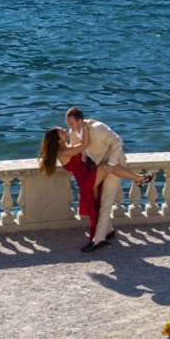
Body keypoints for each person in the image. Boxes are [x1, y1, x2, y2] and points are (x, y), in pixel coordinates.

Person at [64, 106, 126, 247]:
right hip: (98, 168)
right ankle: (108, 230)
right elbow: (78, 152)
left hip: (114, 165)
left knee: (105, 202)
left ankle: (98, 240)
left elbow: (117, 141)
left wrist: (111, 164)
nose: (70, 127)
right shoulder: (73, 132)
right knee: (96, 200)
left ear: (80, 120)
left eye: (72, 123)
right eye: (68, 124)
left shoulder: (97, 127)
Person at [40, 123, 103, 241]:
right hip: (86, 180)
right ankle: (96, 238)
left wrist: (74, 129)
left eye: (63, 129)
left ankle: (99, 235)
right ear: (58, 140)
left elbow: (77, 147)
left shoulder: (66, 148)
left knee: (96, 207)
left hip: (87, 177)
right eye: (62, 132)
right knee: (106, 168)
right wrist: (85, 127)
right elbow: (84, 145)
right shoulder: (63, 152)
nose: (65, 131)